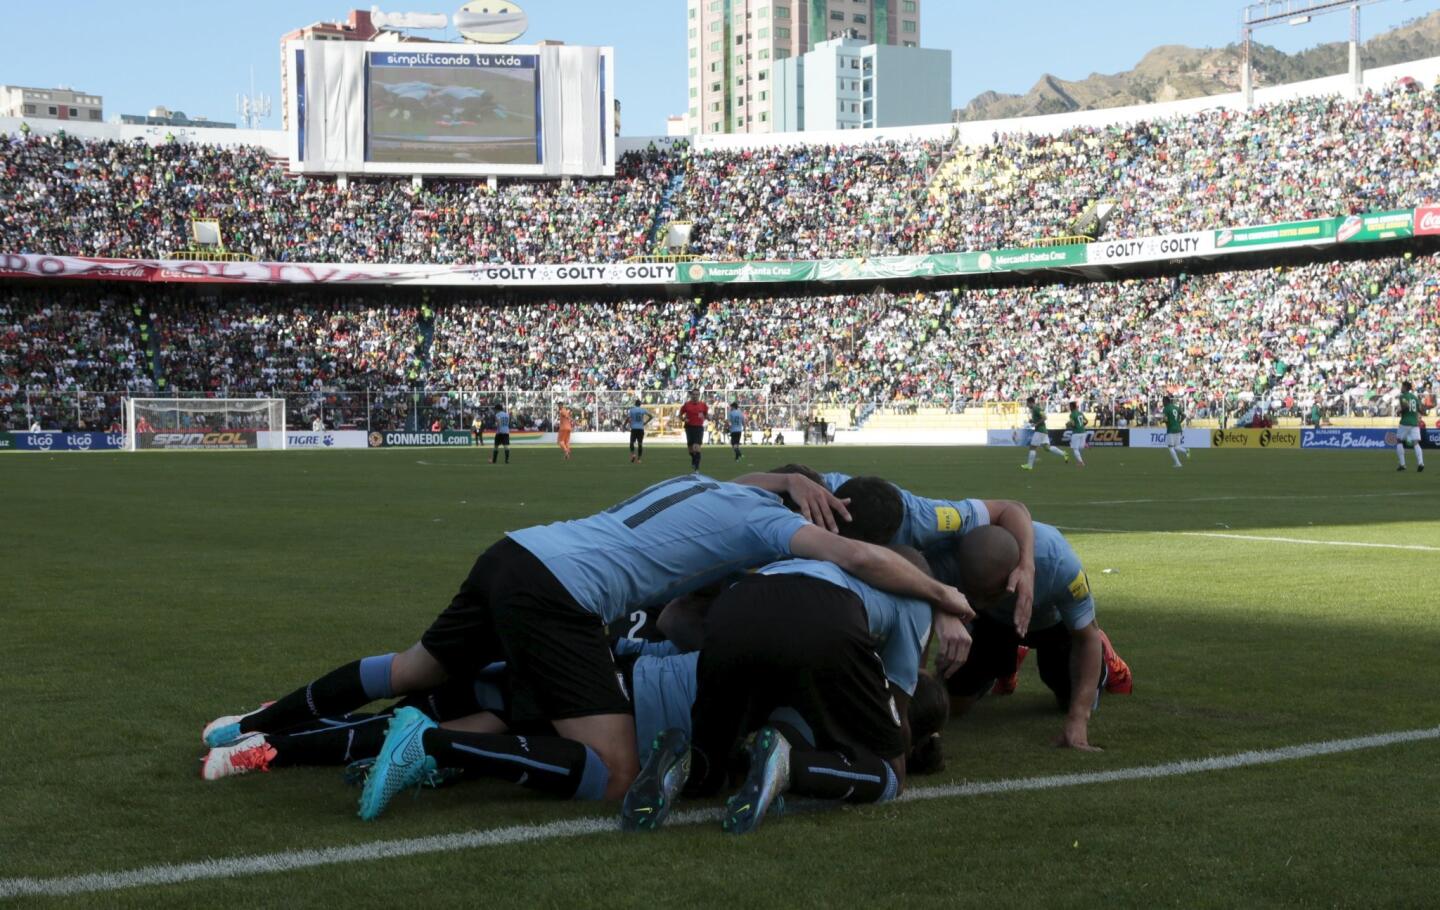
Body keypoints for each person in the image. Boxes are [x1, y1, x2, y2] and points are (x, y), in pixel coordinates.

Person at [202, 472, 971, 819]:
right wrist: (942, 594)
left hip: (514, 553)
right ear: (806, 502)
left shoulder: (704, 484)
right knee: (615, 774)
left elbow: (753, 483)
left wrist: (779, 479)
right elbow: (863, 559)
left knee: (408, 667)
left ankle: (248, 731)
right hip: (562, 599)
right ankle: (431, 743)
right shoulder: (768, 524)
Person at [621, 545, 966, 833]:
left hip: (738, 607)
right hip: (825, 620)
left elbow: (676, 619)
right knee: (892, 778)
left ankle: (685, 759)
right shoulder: (908, 605)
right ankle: (791, 766)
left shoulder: (829, 556)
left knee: (711, 770)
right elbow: (896, 710)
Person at [928, 524, 1132, 752]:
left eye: (990, 593)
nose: (981, 601)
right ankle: (1001, 669)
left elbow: (1086, 640)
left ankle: (1110, 662)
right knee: (955, 704)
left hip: (1052, 621)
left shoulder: (1059, 564)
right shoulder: (947, 555)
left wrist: (1078, 720)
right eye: (974, 591)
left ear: (1016, 573)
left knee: (1069, 700)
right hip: (991, 621)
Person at [1020, 396, 1068, 471]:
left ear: (1031, 403)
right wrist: (1032, 421)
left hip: (1040, 431)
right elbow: (1039, 419)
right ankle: (1064, 453)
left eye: (1027, 403)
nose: (1027, 405)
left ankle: (1029, 466)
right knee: (1047, 448)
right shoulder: (1034, 410)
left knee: (1032, 447)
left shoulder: (1036, 409)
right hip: (1043, 431)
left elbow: (1045, 417)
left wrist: (1036, 424)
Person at [1395, 380, 1425, 473]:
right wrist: (1422, 412)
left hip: (1405, 422)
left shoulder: (1403, 396)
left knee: (1399, 441)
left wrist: (1399, 411)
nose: (1401, 388)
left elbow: (1406, 406)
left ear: (1405, 388)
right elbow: (1420, 409)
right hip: (1414, 423)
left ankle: (1403, 464)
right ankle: (1421, 463)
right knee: (1416, 443)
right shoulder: (1414, 397)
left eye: (1402, 386)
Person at [679, 390, 709, 473]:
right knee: (690, 449)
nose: (695, 396)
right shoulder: (687, 405)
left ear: (699, 395)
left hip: (699, 428)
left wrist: (706, 417)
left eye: (697, 394)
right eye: (694, 394)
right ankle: (693, 459)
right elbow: (680, 415)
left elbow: (707, 415)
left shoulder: (703, 405)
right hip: (689, 427)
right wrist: (684, 419)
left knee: (696, 447)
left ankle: (697, 468)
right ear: (691, 395)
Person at [1163, 395, 1189, 468]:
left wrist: (1162, 421)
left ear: (1166, 401)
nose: (1162, 403)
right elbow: (1184, 415)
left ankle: (1178, 463)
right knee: (1176, 446)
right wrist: (1179, 422)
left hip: (1171, 429)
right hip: (1178, 428)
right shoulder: (1176, 407)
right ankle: (1186, 451)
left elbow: (1165, 419)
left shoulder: (1166, 409)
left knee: (1170, 447)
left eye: (1163, 401)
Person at [627, 399, 653, 464]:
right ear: (640, 404)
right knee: (640, 444)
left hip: (634, 428)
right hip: (640, 429)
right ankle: (639, 459)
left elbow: (628, 418)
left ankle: (633, 454)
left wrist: (624, 425)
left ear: (635, 404)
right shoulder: (643, 410)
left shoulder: (632, 410)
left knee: (631, 442)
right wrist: (645, 422)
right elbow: (651, 416)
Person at [1066, 401, 1088, 467]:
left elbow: (1073, 424)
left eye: (1070, 406)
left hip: (1076, 433)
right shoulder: (1080, 413)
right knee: (1080, 448)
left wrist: (1068, 425)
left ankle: (1081, 462)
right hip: (1083, 432)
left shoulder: (1072, 414)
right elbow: (1086, 421)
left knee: (1075, 449)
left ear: (1072, 407)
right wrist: (1082, 426)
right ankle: (1079, 461)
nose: (1069, 408)